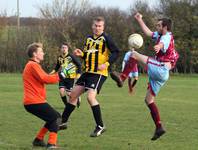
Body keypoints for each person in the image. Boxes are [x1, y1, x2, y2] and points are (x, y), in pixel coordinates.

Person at [110, 12, 179, 140]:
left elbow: (163, 42)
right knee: (149, 100)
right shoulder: (160, 34)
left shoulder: (167, 36)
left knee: (134, 54)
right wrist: (140, 19)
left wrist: (159, 46)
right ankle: (159, 127)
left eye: (159, 25)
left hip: (161, 68)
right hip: (163, 74)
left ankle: (122, 77)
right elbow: (148, 33)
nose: (156, 27)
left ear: (165, 27)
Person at [59, 16, 120, 137]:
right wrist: (82, 54)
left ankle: (100, 126)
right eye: (95, 26)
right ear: (92, 26)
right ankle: (63, 122)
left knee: (90, 97)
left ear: (103, 27)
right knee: (72, 95)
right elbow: (89, 55)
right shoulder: (88, 39)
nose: (97, 28)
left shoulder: (106, 38)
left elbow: (116, 52)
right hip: (87, 72)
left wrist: (106, 64)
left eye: (100, 26)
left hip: (98, 74)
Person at [22, 42, 62, 149]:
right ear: (35, 54)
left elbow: (45, 77)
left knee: (53, 118)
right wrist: (61, 75)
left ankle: (38, 140)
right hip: (34, 101)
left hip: (34, 101)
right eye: (41, 51)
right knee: (56, 118)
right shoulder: (33, 65)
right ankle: (51, 144)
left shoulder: (33, 65)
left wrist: (59, 75)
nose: (43, 53)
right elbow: (45, 79)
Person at [50, 42, 82, 108]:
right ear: (61, 49)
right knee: (61, 92)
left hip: (70, 77)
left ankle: (77, 97)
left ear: (67, 49)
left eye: (65, 48)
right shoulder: (59, 58)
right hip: (62, 77)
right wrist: (51, 72)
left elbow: (79, 65)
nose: (64, 49)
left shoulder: (71, 57)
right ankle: (66, 105)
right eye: (63, 48)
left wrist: (78, 74)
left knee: (69, 94)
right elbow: (57, 67)